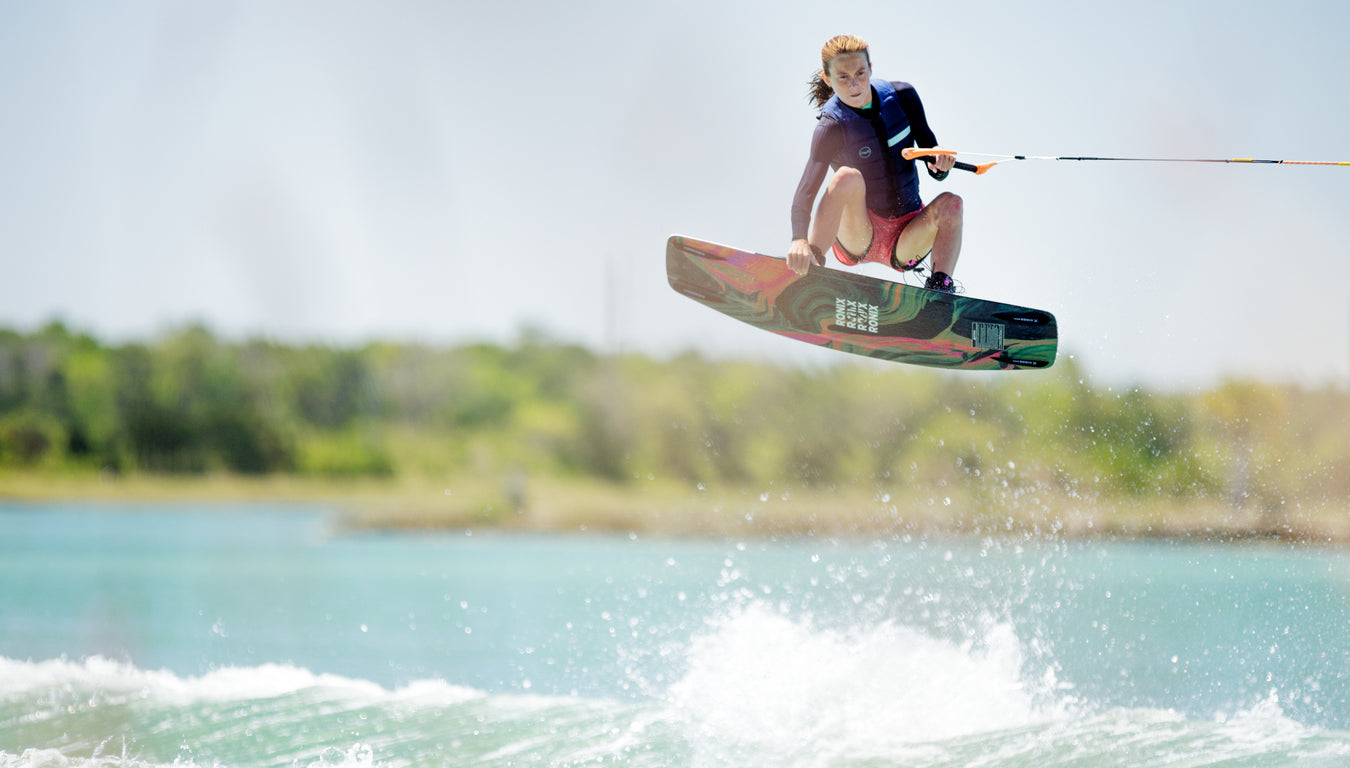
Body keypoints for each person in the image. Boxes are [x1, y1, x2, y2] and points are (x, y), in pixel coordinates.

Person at [788, 35, 963, 293]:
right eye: (843, 77)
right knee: (846, 177)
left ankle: (940, 292)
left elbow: (934, 164)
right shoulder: (831, 127)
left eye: (860, 73)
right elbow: (806, 189)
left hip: (907, 239)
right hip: (858, 235)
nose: (854, 84)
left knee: (952, 203)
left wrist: (940, 165)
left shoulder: (903, 97)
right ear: (828, 79)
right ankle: (810, 264)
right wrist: (798, 239)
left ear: (870, 68)